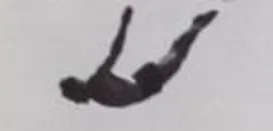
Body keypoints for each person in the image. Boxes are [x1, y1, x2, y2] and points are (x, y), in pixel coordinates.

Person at [62, 6, 220, 108]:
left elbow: (115, 52)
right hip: (140, 83)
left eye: (75, 97)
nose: (77, 102)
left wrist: (124, 24)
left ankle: (197, 25)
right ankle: (195, 26)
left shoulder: (96, 80)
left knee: (178, 54)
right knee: (176, 51)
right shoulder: (97, 93)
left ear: (78, 86)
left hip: (143, 85)